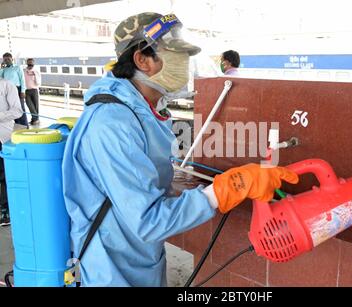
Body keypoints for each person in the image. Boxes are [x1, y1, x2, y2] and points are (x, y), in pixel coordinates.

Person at [62, 12, 298, 287]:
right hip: (113, 266)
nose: (184, 65)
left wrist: (169, 181)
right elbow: (148, 221)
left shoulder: (144, 108)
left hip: (138, 256)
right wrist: (223, 190)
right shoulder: (113, 123)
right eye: (175, 56)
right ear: (142, 60)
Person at [0, 77, 24, 226]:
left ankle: (5, 210)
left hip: (2, 136)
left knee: (3, 175)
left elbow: (17, 111)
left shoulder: (7, 85)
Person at [0, 53, 28, 127]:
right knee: (11, 109)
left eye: (8, 59)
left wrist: (23, 91)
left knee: (20, 108)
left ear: (12, 59)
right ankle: (17, 127)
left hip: (17, 89)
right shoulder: (4, 69)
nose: (6, 61)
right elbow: (1, 79)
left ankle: (24, 126)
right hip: (7, 90)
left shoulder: (17, 67)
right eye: (5, 59)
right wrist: (2, 68)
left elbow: (22, 80)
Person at [24, 58, 41, 125]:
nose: (30, 64)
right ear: (27, 63)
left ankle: (34, 120)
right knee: (30, 105)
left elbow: (38, 83)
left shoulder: (36, 71)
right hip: (26, 90)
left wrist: (34, 74)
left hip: (34, 90)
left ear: (33, 63)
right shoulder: (24, 71)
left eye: (31, 63)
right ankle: (36, 119)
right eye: (29, 63)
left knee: (36, 106)